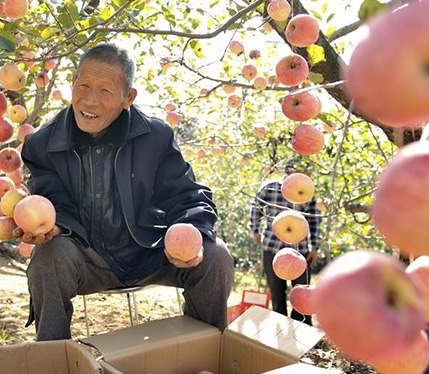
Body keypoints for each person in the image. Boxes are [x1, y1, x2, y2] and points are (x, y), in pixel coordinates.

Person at [18, 43, 235, 341]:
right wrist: (53, 226)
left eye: (105, 91)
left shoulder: (155, 136)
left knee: (215, 255)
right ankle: (53, 358)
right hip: (88, 257)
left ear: (128, 98)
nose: (90, 100)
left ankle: (207, 349)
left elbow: (187, 195)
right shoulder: (41, 144)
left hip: (151, 252)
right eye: (83, 86)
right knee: (48, 257)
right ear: (72, 84)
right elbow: (53, 202)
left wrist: (192, 232)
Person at [249, 163, 320, 325]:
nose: (301, 175)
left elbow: (314, 220)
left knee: (302, 294)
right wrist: (256, 230)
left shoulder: (307, 192)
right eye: (298, 172)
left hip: (299, 251)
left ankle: (301, 328)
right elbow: (256, 207)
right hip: (273, 248)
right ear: (289, 171)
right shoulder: (270, 187)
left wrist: (314, 247)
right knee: (276, 291)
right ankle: (280, 327)